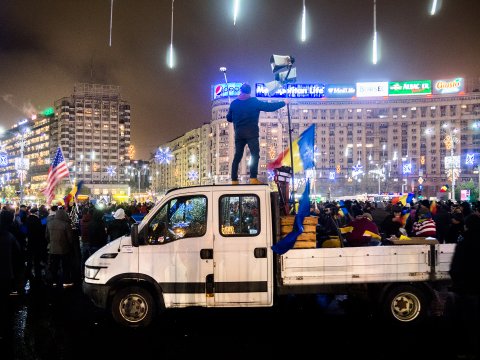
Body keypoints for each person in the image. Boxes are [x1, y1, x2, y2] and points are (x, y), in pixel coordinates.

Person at [226, 83, 287, 185]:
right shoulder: (254, 102)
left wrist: (233, 111)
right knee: (255, 155)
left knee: (237, 156)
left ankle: (234, 180)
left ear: (240, 91)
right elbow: (269, 107)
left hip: (239, 135)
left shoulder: (234, 103)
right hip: (252, 134)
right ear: (249, 92)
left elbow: (229, 118)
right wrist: (283, 102)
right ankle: (253, 178)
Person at [449, 212, 480, 360]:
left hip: (466, 289)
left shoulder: (463, 243)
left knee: (465, 322)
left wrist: (457, 283)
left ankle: (465, 351)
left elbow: (455, 268)